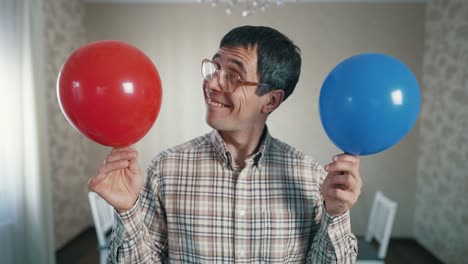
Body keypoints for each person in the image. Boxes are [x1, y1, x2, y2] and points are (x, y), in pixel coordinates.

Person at [89, 25, 362, 263]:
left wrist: (335, 214)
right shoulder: (166, 169)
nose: (213, 83)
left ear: (271, 100)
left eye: (233, 75)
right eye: (215, 67)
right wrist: (128, 212)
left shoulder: (310, 176)